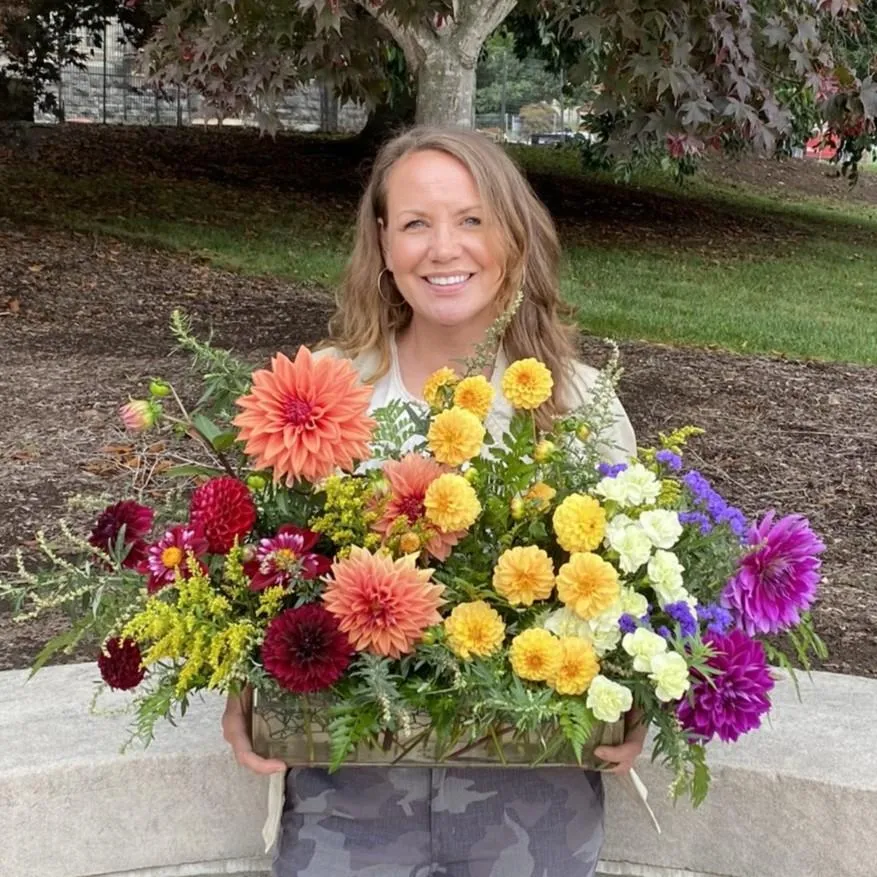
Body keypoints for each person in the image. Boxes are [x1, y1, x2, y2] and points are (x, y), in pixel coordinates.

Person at [222, 126, 647, 877]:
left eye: (472, 219)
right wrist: (245, 687)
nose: (444, 248)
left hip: (532, 800)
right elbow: (260, 567)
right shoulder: (319, 390)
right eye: (415, 223)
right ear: (382, 244)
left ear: (515, 236)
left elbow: (634, 586)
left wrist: (637, 689)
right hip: (347, 795)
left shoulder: (580, 405)